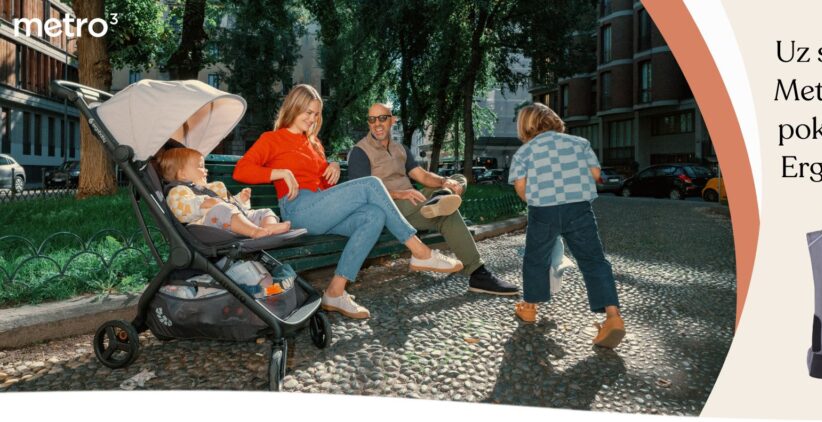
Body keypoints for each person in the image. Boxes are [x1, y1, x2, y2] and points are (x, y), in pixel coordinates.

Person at [234, 85, 463, 320]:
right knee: (371, 184)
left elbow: (324, 186)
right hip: (299, 209)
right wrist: (279, 172)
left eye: (316, 114)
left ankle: (335, 291)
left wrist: (332, 167)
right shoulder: (273, 139)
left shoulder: (314, 143)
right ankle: (421, 252)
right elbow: (241, 170)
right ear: (294, 107)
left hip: (321, 212)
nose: (312, 119)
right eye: (308, 112)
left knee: (374, 215)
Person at [347, 103, 519, 296]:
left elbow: (421, 175)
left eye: (382, 118)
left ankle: (442, 197)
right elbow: (362, 192)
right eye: (372, 119)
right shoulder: (360, 151)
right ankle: (478, 273)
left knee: (458, 179)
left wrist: (445, 182)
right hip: (389, 208)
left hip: (412, 204)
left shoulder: (400, 149)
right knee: (447, 211)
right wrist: (399, 194)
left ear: (392, 120)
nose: (377, 124)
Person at [508, 103, 625, 349]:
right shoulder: (580, 143)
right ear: (554, 120)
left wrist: (534, 199)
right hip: (578, 209)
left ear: (525, 126)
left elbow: (520, 186)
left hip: (543, 210)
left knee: (535, 259)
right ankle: (613, 317)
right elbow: (595, 174)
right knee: (594, 261)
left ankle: (529, 308)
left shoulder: (525, 152)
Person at [156, 147, 292, 238]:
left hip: (232, 221)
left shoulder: (209, 189)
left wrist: (240, 200)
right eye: (201, 166)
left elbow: (231, 206)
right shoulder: (177, 191)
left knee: (264, 212)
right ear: (183, 174)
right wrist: (203, 203)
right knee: (221, 210)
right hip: (207, 226)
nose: (206, 170)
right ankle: (255, 231)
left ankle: (268, 227)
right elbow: (181, 211)